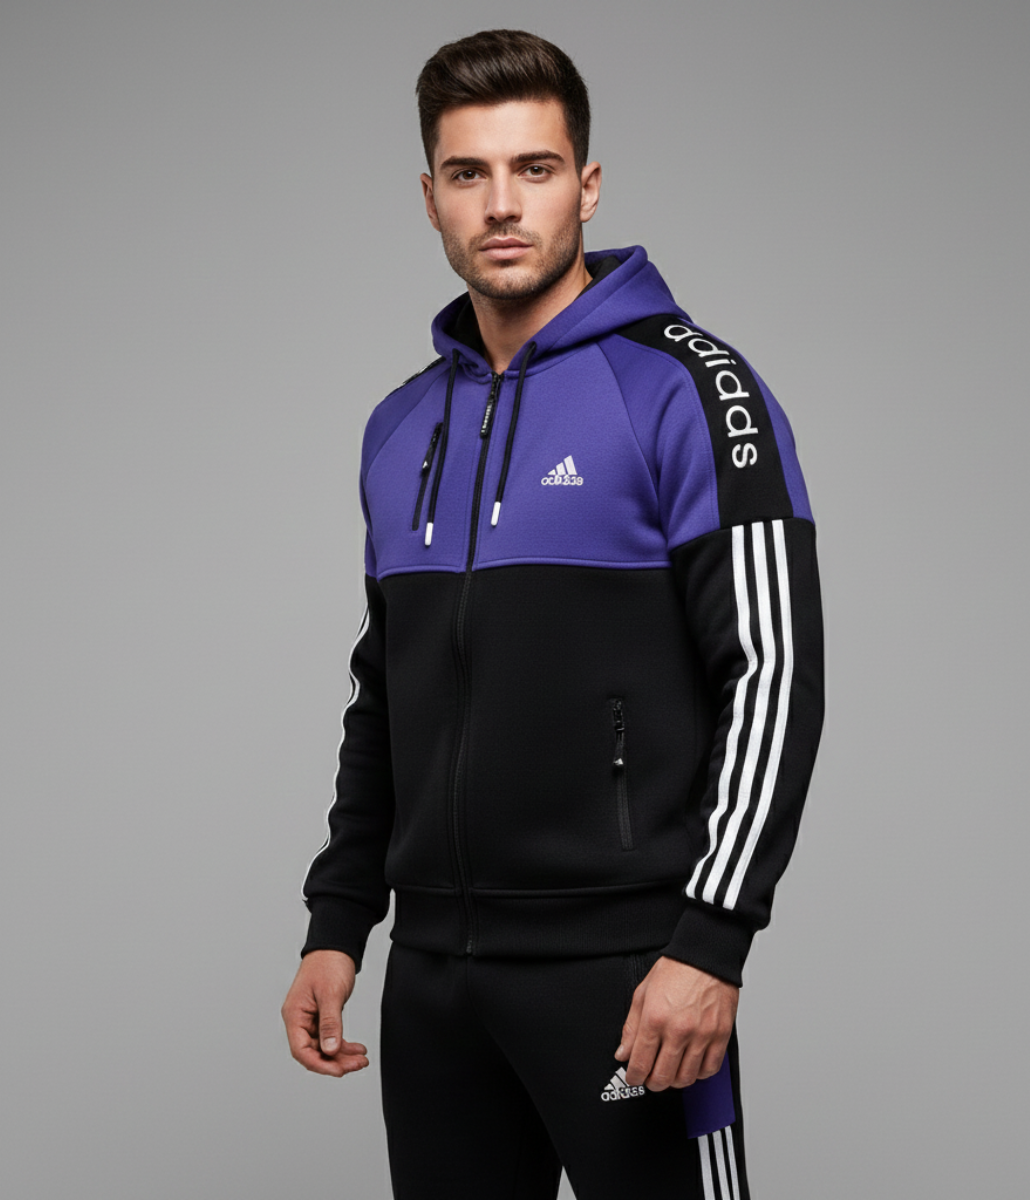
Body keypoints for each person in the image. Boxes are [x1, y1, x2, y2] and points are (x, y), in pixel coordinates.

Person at [281, 28, 823, 1200]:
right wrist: (339, 920)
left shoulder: (690, 391)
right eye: (468, 173)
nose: (502, 203)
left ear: (587, 183)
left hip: (630, 969)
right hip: (436, 981)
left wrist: (711, 940)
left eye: (534, 168)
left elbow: (775, 675)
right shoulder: (401, 427)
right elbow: (388, 694)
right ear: (430, 197)